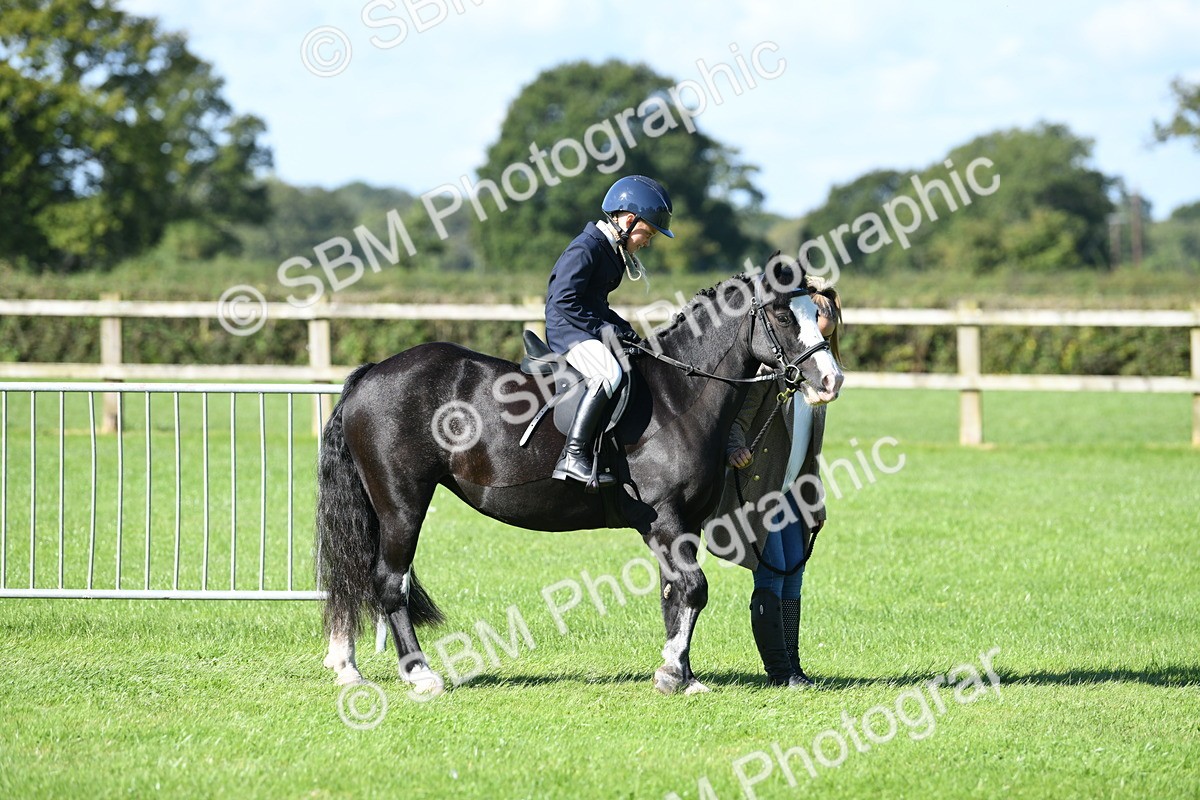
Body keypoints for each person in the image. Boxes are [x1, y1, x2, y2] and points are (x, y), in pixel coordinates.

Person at [705, 278, 842, 687]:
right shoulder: (771, 373)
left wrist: (815, 502)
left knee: (793, 576)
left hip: (793, 494)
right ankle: (780, 672)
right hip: (763, 488)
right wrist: (735, 448)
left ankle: (794, 668)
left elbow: (808, 454)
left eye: (826, 337)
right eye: (816, 332)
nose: (819, 343)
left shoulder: (816, 382)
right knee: (773, 574)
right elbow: (737, 420)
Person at [544, 175, 674, 489]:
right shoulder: (586, 247)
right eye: (648, 233)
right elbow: (563, 300)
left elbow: (595, 303)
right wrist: (604, 330)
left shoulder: (608, 249)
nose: (647, 242)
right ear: (629, 220)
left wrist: (623, 329)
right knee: (608, 374)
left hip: (582, 327)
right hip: (567, 331)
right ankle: (572, 455)